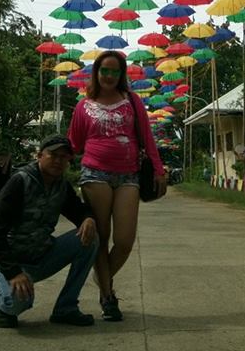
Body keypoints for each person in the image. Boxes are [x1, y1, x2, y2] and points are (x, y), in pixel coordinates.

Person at [67, 50, 167, 322]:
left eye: (114, 71)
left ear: (121, 75)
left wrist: (158, 171)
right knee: (101, 237)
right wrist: (50, 163)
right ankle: (108, 298)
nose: (109, 76)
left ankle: (102, 279)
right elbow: (73, 144)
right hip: (94, 174)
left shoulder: (132, 101)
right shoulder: (83, 106)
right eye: (104, 70)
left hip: (129, 177)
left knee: (123, 241)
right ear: (96, 73)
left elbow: (147, 138)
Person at [0, 134, 98, 330]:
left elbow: (77, 210)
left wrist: (87, 218)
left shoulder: (61, 185)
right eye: (53, 155)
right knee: (18, 302)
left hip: (43, 255)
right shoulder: (19, 182)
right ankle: (4, 308)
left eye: (64, 157)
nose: (58, 161)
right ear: (39, 155)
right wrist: (13, 273)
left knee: (90, 238)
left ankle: (66, 308)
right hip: (11, 264)